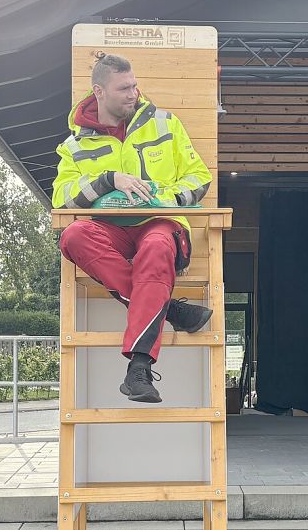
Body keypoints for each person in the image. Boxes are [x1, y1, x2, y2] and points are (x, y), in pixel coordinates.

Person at [52, 53, 214, 403]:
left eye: (135, 85)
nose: (134, 93)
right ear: (99, 91)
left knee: (155, 247)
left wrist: (159, 198)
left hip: (161, 225)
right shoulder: (75, 144)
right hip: (111, 230)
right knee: (73, 235)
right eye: (124, 88)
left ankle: (138, 367)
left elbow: (200, 178)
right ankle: (169, 309)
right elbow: (63, 198)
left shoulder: (166, 123)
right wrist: (108, 180)